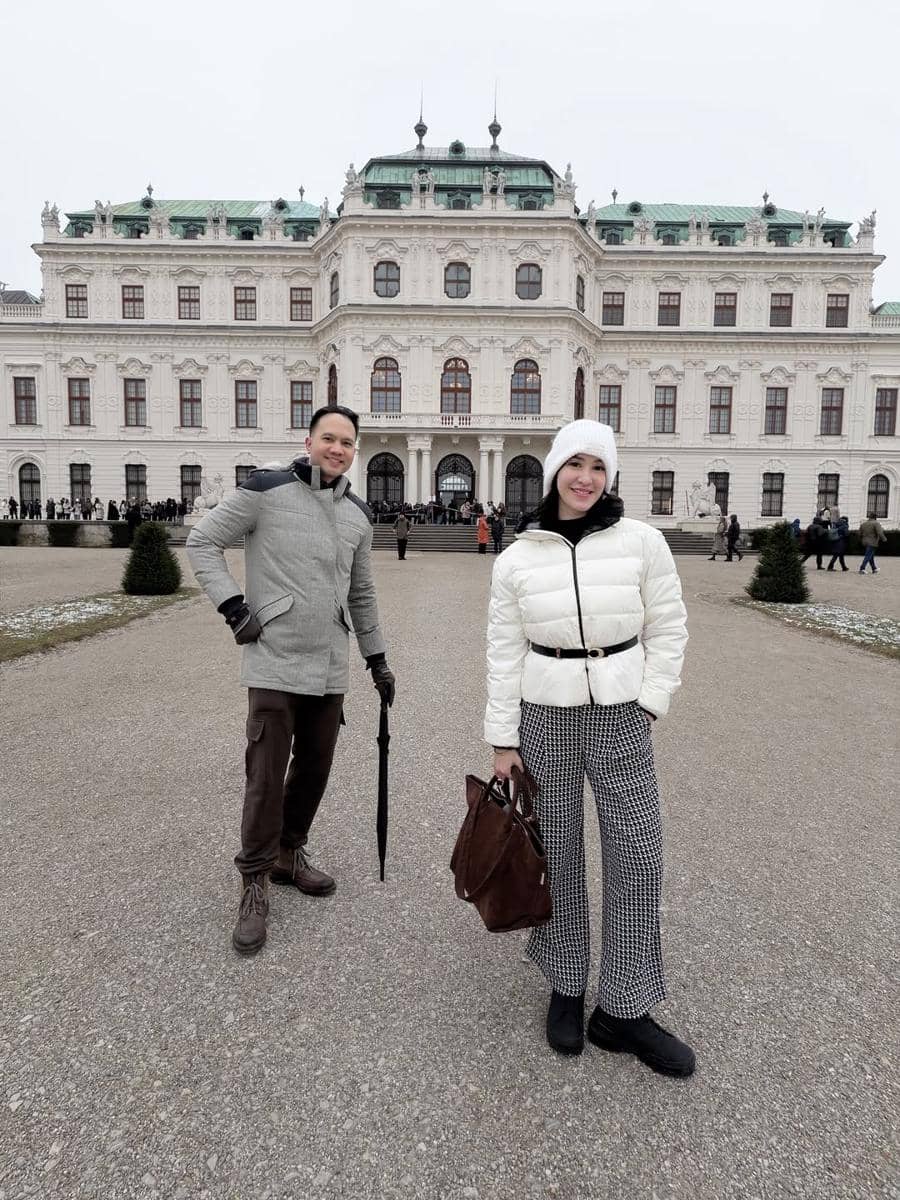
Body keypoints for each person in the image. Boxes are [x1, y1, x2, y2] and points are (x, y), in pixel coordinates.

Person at [484, 419, 693, 1076]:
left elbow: (669, 625)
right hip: (545, 711)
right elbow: (502, 652)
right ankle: (567, 983)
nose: (585, 478)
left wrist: (652, 696)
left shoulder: (642, 541)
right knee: (560, 852)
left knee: (637, 852)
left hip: (622, 710)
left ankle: (625, 1008)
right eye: (574, 465)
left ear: (609, 476)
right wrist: (501, 738)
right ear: (553, 472)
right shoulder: (517, 557)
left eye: (597, 467)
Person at [186, 405, 396, 957]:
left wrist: (377, 659)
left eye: (347, 442)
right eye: (329, 438)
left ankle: (288, 852)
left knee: (314, 771)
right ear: (309, 441)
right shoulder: (266, 490)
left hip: (330, 664)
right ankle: (254, 880)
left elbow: (363, 594)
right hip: (274, 659)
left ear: (355, 450)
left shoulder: (357, 514)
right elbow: (203, 542)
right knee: (265, 775)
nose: (337, 448)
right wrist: (235, 608)